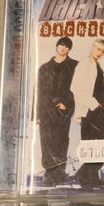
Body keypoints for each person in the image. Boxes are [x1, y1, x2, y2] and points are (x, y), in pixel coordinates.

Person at [36, 37, 78, 186]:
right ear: (56, 46)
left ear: (69, 49)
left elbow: (78, 88)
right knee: (46, 141)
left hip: (63, 110)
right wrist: (37, 114)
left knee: (61, 141)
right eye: (61, 45)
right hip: (46, 109)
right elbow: (38, 91)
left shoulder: (74, 66)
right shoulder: (44, 68)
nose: (63, 48)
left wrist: (67, 103)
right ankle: (49, 175)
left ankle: (59, 174)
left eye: (67, 46)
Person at [71, 38, 104, 189]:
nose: (100, 53)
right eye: (98, 49)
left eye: (103, 51)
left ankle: (86, 175)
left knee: (103, 144)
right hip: (89, 111)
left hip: (101, 111)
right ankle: (88, 179)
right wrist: (94, 104)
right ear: (92, 48)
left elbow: (103, 88)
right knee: (91, 145)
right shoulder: (83, 65)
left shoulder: (99, 67)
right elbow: (76, 89)